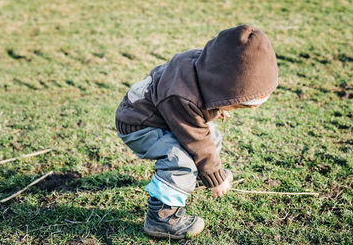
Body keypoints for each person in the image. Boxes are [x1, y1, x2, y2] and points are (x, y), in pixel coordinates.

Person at [115, 24, 278, 239]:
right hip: (140, 126)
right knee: (181, 159)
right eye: (236, 106)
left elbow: (197, 109)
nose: (234, 109)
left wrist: (216, 106)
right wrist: (215, 177)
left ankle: (197, 176)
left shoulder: (201, 66)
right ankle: (162, 217)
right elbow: (196, 139)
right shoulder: (181, 96)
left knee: (212, 135)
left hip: (163, 116)